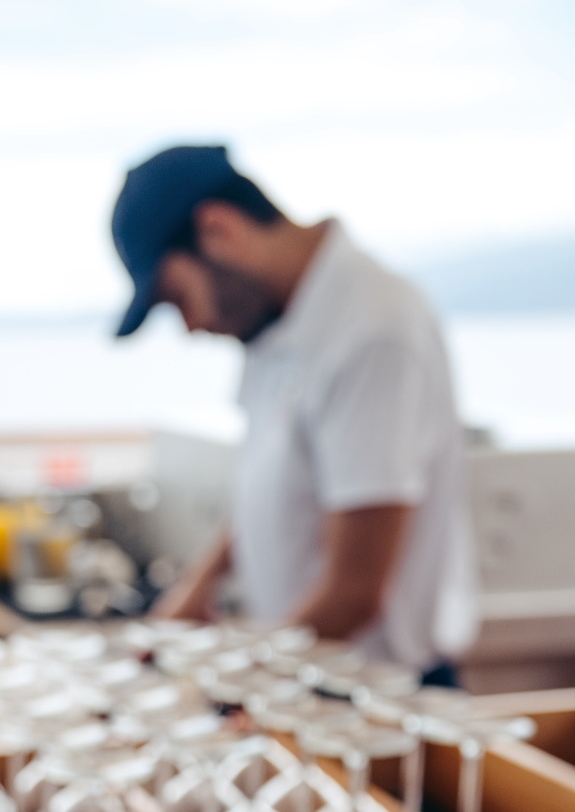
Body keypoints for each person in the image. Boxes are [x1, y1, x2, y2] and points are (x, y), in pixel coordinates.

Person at [111, 145, 475, 680]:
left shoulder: (374, 331)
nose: (188, 326)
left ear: (218, 230)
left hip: (379, 698)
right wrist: (199, 584)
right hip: (304, 672)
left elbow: (354, 594)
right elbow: (277, 485)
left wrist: (242, 683)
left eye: (177, 297)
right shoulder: (274, 325)